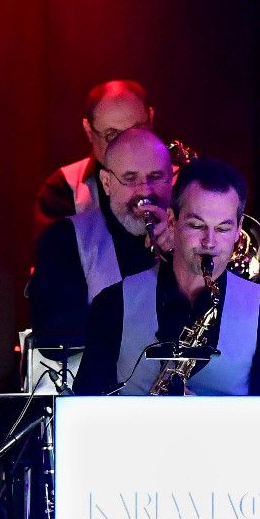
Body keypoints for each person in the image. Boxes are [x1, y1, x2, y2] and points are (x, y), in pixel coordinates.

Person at [75, 158, 260, 396]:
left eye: (223, 228)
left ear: (238, 229)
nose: (209, 242)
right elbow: (85, 407)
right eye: (197, 225)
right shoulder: (112, 305)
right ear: (172, 221)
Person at [25, 125, 172, 362]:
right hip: (93, 384)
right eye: (130, 178)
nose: (145, 191)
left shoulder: (187, 239)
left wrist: (180, 262)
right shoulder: (65, 239)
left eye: (155, 177)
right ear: (106, 182)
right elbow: (53, 340)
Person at [36, 78, 157, 226]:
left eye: (136, 130)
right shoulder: (63, 188)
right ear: (88, 130)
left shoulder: (177, 181)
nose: (127, 147)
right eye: (112, 135)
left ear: (151, 118)